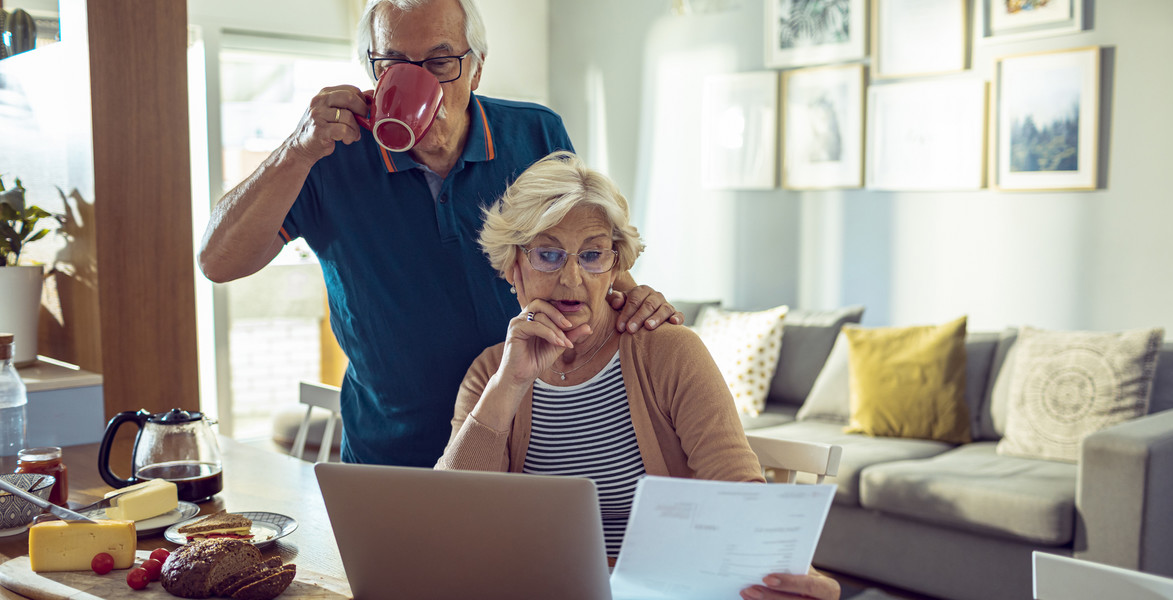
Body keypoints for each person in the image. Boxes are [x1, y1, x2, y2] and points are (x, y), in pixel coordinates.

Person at [195, 0, 681, 467]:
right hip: (389, 457)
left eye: (441, 60)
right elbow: (217, 262)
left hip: (526, 445)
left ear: (477, 67)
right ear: (372, 69)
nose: (419, 79)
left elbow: (581, 249)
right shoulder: (328, 154)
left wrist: (635, 298)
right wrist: (296, 151)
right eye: (394, 62)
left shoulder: (534, 134)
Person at [436, 152, 839, 600]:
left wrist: (796, 576)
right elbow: (452, 523)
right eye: (548, 255)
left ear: (614, 266)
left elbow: (738, 494)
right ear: (513, 267)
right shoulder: (490, 373)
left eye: (591, 255)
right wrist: (509, 384)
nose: (572, 278)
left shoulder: (667, 351)